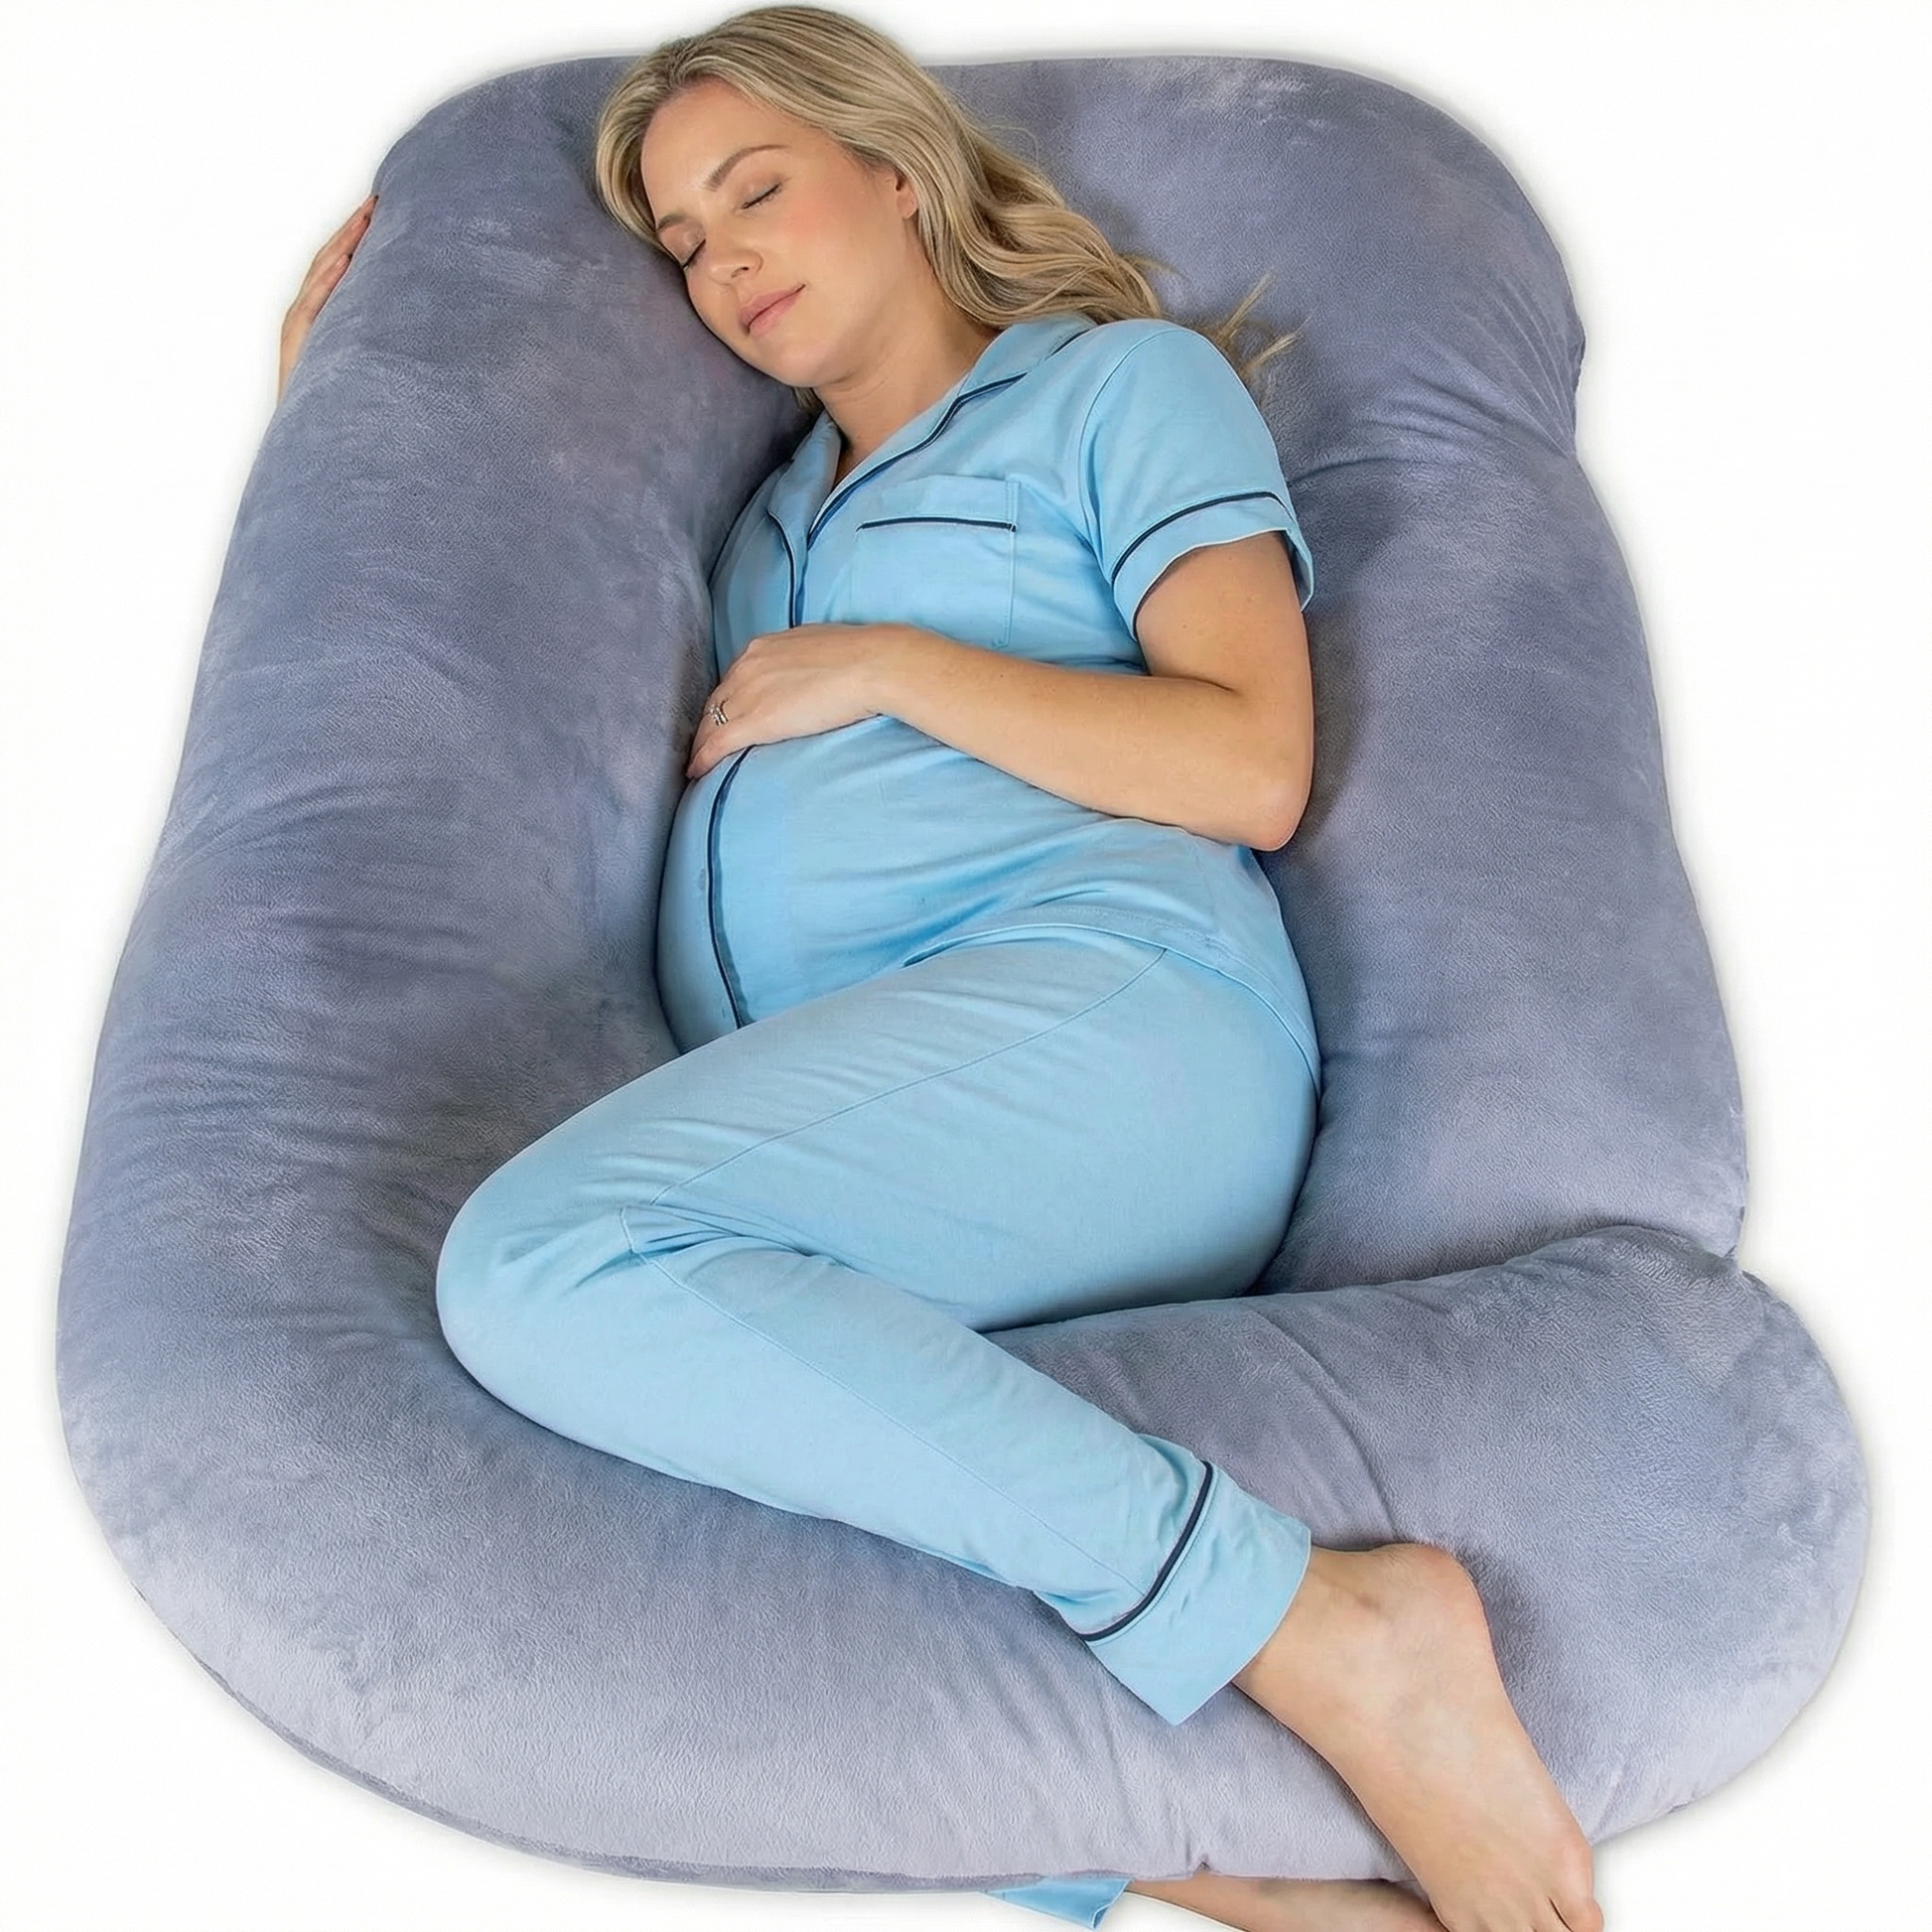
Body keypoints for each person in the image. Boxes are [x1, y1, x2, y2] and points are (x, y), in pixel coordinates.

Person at [280, 11, 1601, 1932]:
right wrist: (347, 418)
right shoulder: (758, 529)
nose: (723, 261)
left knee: (541, 1262)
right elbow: (477, 579)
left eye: (758, 192)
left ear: (893, 172)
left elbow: (1248, 759)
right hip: (869, 1138)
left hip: (1113, 1025)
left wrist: (896, 667)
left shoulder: (1114, 391)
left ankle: (1335, 1626)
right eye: (681, 240)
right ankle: (1257, 1888)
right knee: (681, 1453)